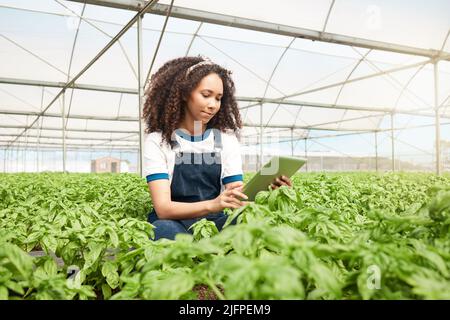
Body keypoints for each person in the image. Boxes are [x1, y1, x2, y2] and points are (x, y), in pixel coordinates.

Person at [142, 56, 292, 240]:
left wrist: (267, 193)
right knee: (163, 230)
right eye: (206, 95)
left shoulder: (226, 140)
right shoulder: (158, 141)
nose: (213, 105)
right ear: (183, 94)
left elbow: (237, 195)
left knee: (251, 223)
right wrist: (212, 204)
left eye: (218, 98)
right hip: (174, 222)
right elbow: (163, 209)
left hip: (213, 224)